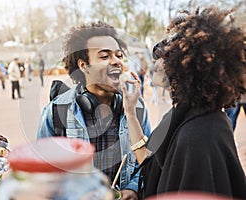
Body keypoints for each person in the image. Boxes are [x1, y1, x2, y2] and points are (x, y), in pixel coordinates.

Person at [121, 7, 246, 199]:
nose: (157, 59)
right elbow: (148, 160)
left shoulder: (199, 137)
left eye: (167, 53)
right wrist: (130, 112)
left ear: (189, 65)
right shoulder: (180, 113)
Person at [37, 21, 151, 200]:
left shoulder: (137, 108)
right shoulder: (56, 111)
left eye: (119, 55)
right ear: (83, 66)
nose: (116, 61)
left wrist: (133, 188)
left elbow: (147, 162)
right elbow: (43, 168)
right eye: (105, 56)